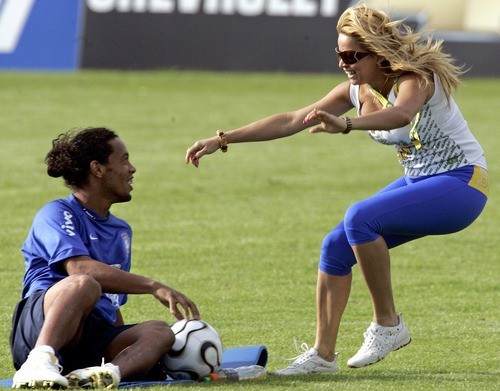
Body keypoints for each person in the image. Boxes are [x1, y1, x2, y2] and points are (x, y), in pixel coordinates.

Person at [184, 3, 488, 375]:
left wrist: (346, 126)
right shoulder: (357, 89)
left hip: (463, 183)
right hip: (420, 181)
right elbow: (293, 120)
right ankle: (322, 356)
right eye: (339, 54)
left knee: (359, 217)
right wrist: (223, 139)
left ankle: (388, 325)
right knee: (335, 244)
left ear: (378, 53)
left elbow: (402, 114)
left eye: (352, 55)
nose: (344, 62)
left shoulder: (415, 77)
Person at [11, 127, 200, 389]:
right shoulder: (55, 212)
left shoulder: (121, 230)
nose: (132, 169)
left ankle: (101, 376)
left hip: (89, 338)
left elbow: (110, 307)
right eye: (124, 160)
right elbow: (79, 269)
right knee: (84, 283)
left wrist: (132, 348)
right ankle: (39, 362)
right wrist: (153, 286)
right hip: (39, 329)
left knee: (159, 331)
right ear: (97, 169)